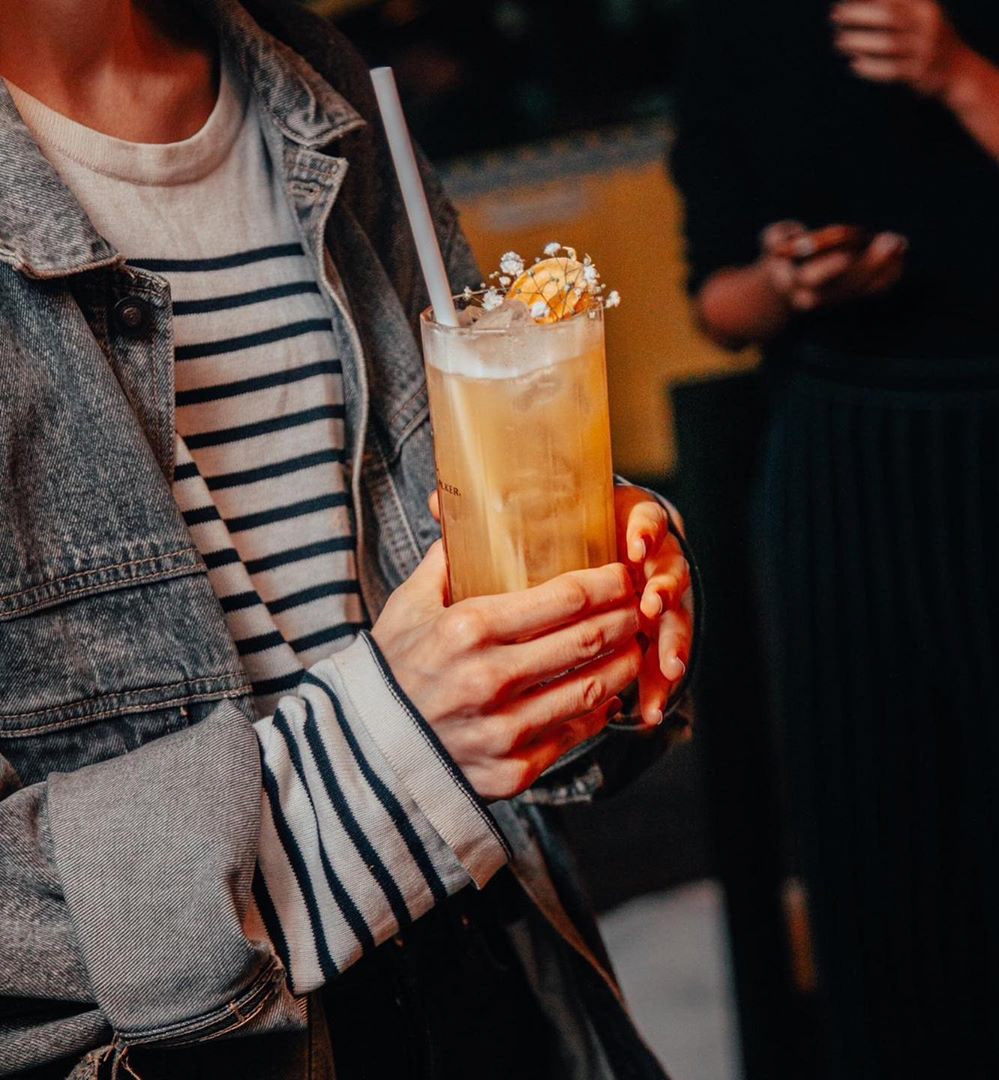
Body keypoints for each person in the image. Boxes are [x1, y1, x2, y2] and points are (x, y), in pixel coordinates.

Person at [0, 1, 696, 1076]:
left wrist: (582, 624)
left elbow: (463, 569)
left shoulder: (309, 75)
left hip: (491, 954)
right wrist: (384, 750)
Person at [673, 1, 999, 1076]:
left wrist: (961, 75)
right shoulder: (740, 25)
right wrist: (787, 280)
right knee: (879, 881)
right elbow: (718, 302)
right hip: (838, 460)